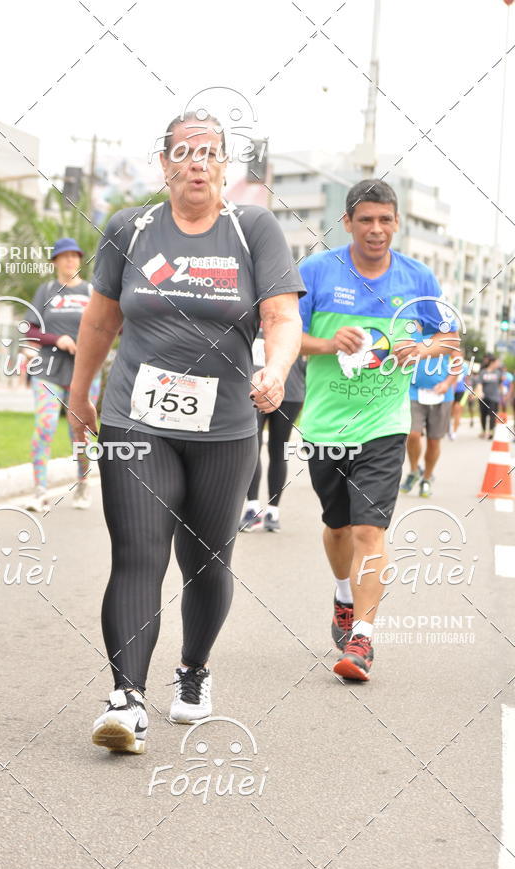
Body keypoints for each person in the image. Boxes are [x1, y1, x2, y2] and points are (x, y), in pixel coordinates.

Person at [68, 112, 304, 753]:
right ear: (165, 162)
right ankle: (126, 698)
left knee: (206, 563)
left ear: (224, 166)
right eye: (184, 152)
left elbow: (282, 317)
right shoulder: (131, 228)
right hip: (135, 417)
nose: (196, 162)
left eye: (209, 153)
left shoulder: (253, 230)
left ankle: (194, 669)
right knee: (138, 552)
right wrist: (79, 391)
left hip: (225, 425)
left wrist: (276, 370)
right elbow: (100, 320)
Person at [299, 179, 459, 682]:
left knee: (370, 529)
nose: (376, 229)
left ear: (397, 222)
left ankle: (363, 638)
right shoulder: (317, 271)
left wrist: (424, 349)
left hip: (387, 423)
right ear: (347, 222)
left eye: (385, 220)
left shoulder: (417, 278)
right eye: (365, 219)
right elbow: (282, 334)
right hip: (326, 422)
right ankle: (344, 596)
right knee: (338, 527)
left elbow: (449, 335)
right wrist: (327, 343)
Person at [25, 238, 101, 512]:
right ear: (55, 261)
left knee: (78, 433)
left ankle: (82, 482)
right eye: (64, 256)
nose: (70, 261)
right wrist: (57, 339)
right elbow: (29, 329)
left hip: (85, 372)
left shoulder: (93, 291)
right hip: (48, 370)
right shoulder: (46, 290)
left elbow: (112, 326)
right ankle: (40, 491)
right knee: (44, 427)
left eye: (75, 256)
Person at [238, 336, 305, 532]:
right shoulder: (251, 314)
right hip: (254, 391)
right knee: (253, 448)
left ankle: (273, 511)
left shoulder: (295, 317)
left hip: (290, 393)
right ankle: (252, 508)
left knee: (279, 451)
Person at [400, 349, 460, 497]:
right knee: (413, 434)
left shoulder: (447, 329)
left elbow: (458, 363)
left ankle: (426, 478)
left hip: (441, 394)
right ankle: (414, 471)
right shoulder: (412, 328)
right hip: (413, 391)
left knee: (433, 441)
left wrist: (447, 383)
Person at [477, 356, 503, 439]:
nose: (498, 364)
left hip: (494, 397)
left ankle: (491, 432)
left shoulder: (498, 372)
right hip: (484, 397)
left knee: (492, 414)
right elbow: (479, 383)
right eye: (496, 362)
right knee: (483, 414)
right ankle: (484, 431)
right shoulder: (483, 372)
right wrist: (480, 392)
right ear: (492, 363)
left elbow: (500, 384)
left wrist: (502, 393)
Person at [450, 368, 467, 438]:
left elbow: (468, 379)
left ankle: (454, 431)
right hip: (450, 390)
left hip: (461, 391)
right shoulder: (449, 362)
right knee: (450, 411)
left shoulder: (465, 366)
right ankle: (449, 429)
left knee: (457, 410)